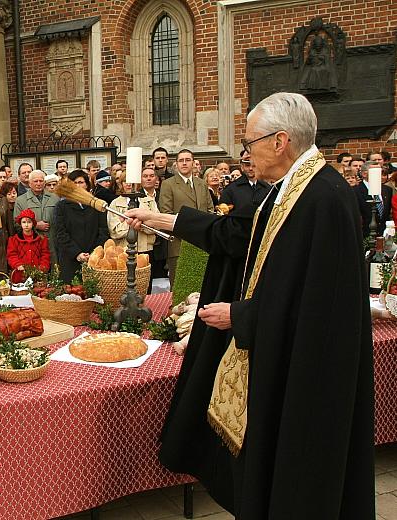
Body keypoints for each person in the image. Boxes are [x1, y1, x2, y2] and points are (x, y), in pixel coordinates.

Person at [125, 91, 374, 519]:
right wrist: (164, 219)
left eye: (249, 143)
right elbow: (239, 237)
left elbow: (323, 306)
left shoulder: (324, 199)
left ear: (280, 142)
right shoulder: (295, 189)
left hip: (310, 377)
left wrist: (241, 315)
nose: (245, 154)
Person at [158, 148, 214, 286]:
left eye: (188, 160)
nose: (184, 163)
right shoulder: (168, 184)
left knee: (202, 286)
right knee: (180, 287)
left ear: (193, 163)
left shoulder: (201, 183)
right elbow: (166, 213)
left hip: (202, 244)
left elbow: (210, 210)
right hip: (179, 244)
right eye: (181, 160)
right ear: (176, 164)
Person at [54, 169, 108, 283]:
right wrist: (77, 253)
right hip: (70, 257)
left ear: (87, 184)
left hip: (93, 257)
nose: (78, 186)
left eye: (81, 182)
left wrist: (94, 252)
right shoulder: (61, 206)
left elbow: (103, 230)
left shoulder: (96, 204)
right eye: (74, 183)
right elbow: (61, 233)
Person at [14, 170, 59, 263]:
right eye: (35, 181)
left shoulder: (55, 198)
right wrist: (35, 225)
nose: (38, 183)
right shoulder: (21, 201)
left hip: (53, 243)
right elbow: (16, 223)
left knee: (54, 268)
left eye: (41, 181)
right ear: (29, 183)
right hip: (31, 245)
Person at [7, 209, 50, 283]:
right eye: (24, 222)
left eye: (29, 222)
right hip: (20, 276)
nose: (26, 225)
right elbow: (11, 255)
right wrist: (18, 264)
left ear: (33, 223)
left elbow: (45, 255)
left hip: (38, 276)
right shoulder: (13, 240)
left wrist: (42, 267)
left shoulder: (42, 239)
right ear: (20, 223)